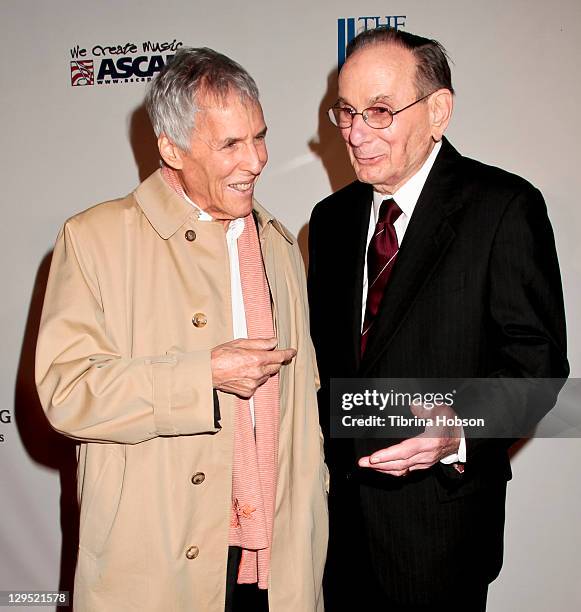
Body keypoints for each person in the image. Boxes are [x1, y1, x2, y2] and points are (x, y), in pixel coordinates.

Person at [36, 47, 328, 612]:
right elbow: (66, 393)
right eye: (230, 145)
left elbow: (303, 409)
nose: (257, 160)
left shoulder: (279, 244)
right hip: (155, 561)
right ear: (171, 148)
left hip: (273, 561)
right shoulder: (95, 239)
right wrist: (203, 375)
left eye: (259, 136)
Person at [308, 27, 568, 611]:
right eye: (346, 112)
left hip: (440, 534)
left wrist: (456, 428)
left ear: (438, 111)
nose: (355, 134)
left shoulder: (504, 208)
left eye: (379, 111)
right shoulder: (329, 220)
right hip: (336, 533)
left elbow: (538, 367)